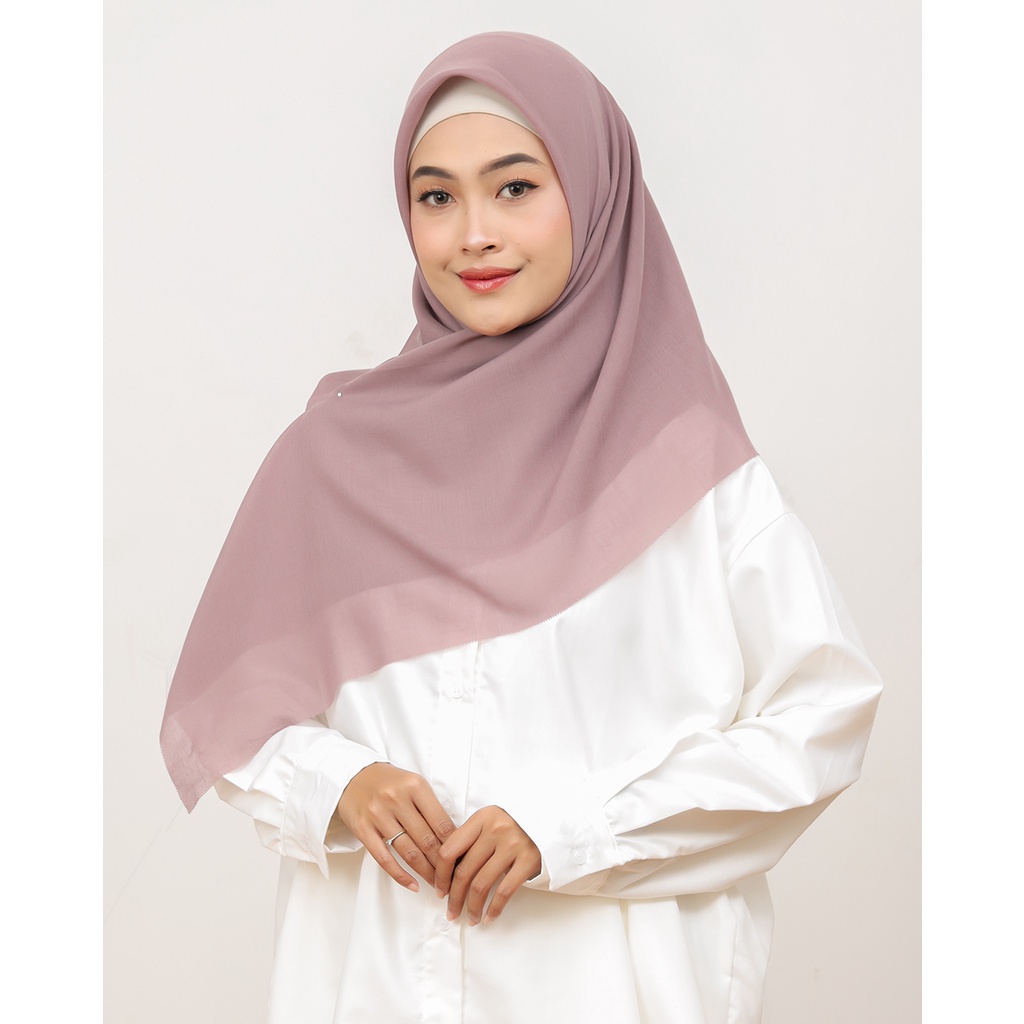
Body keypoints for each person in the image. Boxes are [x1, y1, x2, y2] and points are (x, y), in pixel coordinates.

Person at [160, 31, 881, 1024]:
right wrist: (341, 782)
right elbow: (235, 716)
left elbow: (823, 716)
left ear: (594, 194)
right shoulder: (328, 462)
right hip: (375, 991)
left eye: (514, 188)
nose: (473, 235)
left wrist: (573, 830)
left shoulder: (696, 479)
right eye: (436, 197)